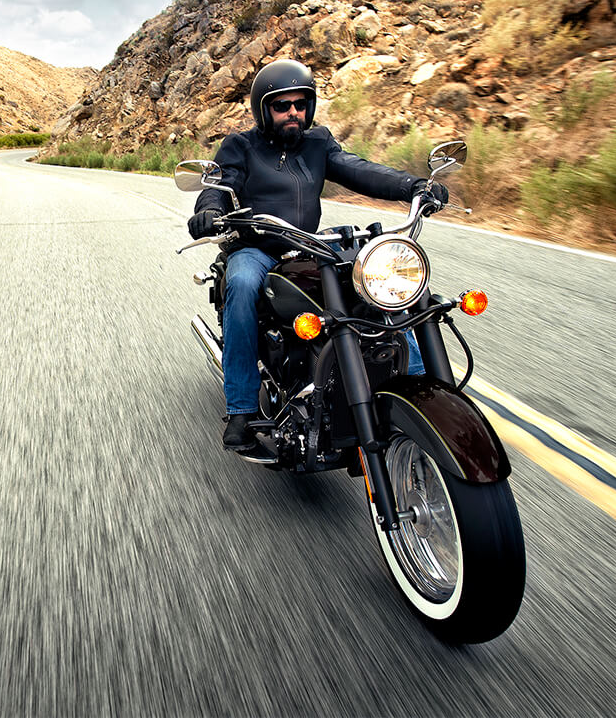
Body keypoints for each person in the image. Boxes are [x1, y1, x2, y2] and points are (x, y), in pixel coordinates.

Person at [187, 59, 447, 460]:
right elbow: (220, 184)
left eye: (300, 104)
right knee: (240, 285)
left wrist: (412, 186)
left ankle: (418, 387)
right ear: (263, 109)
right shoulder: (241, 146)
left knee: (381, 281)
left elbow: (357, 169)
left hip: (309, 244)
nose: (293, 112)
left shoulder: (318, 142)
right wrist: (208, 209)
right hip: (259, 247)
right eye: (282, 105)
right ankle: (241, 410)